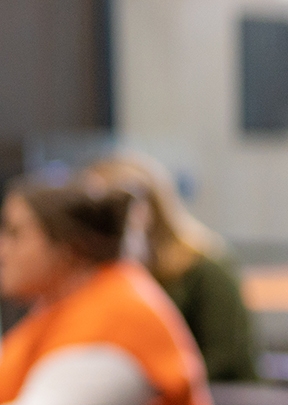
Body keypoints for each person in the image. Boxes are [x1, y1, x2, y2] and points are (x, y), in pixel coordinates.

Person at [0, 182, 227, 405]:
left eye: (15, 234)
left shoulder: (112, 324)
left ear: (70, 248)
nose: (2, 249)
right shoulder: (66, 303)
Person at [80, 153, 260, 383]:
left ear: (147, 209)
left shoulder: (206, 265)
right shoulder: (111, 273)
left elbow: (224, 357)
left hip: (218, 399)